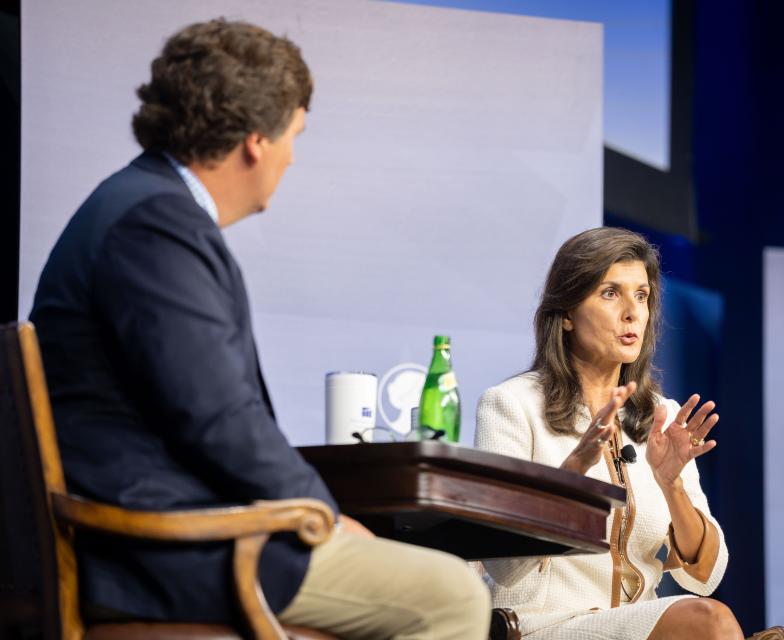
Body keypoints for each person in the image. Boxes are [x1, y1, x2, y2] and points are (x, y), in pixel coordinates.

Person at [29, 19, 489, 638]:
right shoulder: (156, 226)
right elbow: (214, 418)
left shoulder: (134, 204)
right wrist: (320, 512)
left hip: (154, 540)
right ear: (255, 141)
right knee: (453, 594)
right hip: (164, 554)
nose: (292, 156)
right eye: (294, 136)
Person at [474, 227, 743, 639]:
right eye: (610, 293)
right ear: (565, 314)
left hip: (637, 624)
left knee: (708, 615)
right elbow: (505, 566)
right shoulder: (512, 406)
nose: (633, 312)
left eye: (642, 295)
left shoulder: (661, 416)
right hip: (542, 625)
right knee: (709, 622)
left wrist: (671, 485)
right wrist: (570, 477)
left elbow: (704, 573)